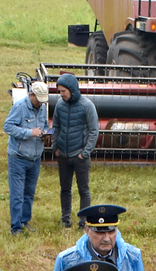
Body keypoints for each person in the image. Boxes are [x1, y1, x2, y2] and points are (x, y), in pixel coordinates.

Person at [50, 73, 97, 228]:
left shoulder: (87, 105)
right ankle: (66, 219)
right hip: (63, 154)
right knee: (65, 189)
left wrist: (85, 152)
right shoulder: (59, 105)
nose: (61, 94)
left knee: (83, 190)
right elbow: (56, 126)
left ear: (71, 89)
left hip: (80, 156)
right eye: (60, 91)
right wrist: (55, 147)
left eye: (63, 91)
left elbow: (93, 130)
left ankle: (83, 221)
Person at [4, 80, 49, 235]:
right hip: (18, 157)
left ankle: (24, 221)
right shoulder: (19, 107)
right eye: (39, 100)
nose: (41, 104)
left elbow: (44, 126)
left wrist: (45, 134)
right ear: (32, 95)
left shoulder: (43, 108)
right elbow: (8, 126)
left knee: (29, 192)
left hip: (35, 157)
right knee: (17, 194)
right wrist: (29, 133)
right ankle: (15, 227)